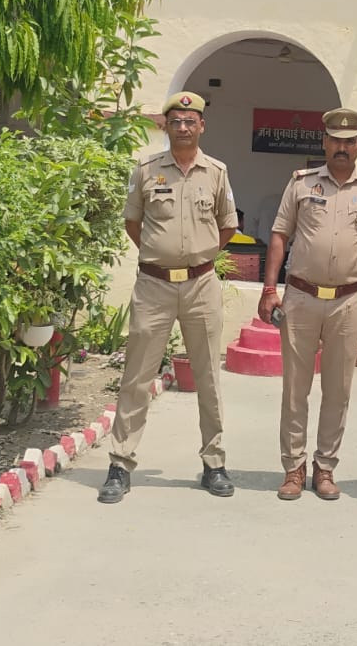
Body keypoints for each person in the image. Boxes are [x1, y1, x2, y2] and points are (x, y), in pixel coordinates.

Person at [99, 91, 239, 504]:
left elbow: (227, 226)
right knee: (137, 376)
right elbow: (133, 222)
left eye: (190, 121)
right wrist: (160, 256)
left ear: (202, 126)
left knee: (208, 377)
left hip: (200, 286)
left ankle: (214, 463)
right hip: (154, 286)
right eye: (175, 121)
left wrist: (198, 256)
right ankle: (120, 464)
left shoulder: (217, 172)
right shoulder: (146, 170)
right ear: (165, 125)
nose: (183, 127)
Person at [259, 107, 357, 500]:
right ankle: (293, 467)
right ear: (325, 142)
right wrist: (269, 289)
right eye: (336, 140)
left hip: (348, 301)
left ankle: (325, 467)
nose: (342, 147)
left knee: (338, 389)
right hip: (301, 297)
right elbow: (280, 235)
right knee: (295, 388)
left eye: (350, 141)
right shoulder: (301, 184)